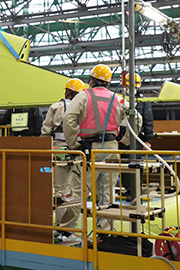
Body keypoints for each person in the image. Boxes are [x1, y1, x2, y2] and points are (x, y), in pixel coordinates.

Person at [63, 64, 127, 230]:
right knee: (108, 193)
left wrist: (73, 143)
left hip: (88, 150)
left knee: (79, 191)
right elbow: (137, 118)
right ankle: (105, 232)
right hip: (112, 149)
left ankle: (68, 230)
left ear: (91, 80)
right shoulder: (117, 98)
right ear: (107, 82)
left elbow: (69, 118)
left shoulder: (84, 96)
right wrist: (124, 140)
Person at [40, 78, 84, 241]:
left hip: (57, 151)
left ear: (67, 91)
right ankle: (67, 229)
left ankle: (58, 229)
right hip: (78, 153)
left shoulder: (56, 107)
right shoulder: (82, 109)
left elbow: (46, 130)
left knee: (60, 191)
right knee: (76, 192)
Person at [119, 73, 153, 200]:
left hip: (138, 138)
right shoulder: (119, 100)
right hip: (122, 138)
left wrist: (148, 141)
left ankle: (136, 190)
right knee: (123, 165)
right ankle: (128, 190)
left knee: (136, 164)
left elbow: (148, 122)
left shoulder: (144, 102)